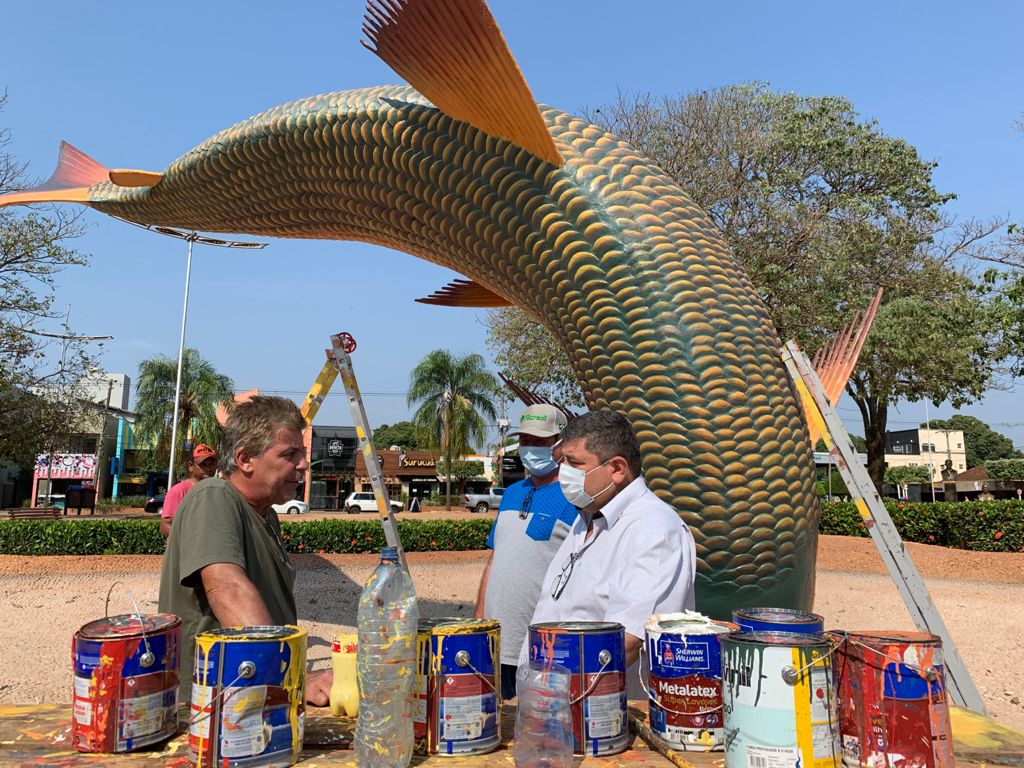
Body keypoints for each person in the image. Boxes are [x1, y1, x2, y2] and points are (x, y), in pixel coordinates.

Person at [158, 396, 331, 706]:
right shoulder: (214, 496)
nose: (303, 464)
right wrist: (289, 674)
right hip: (213, 706)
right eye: (289, 454)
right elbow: (227, 589)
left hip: (252, 693)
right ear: (245, 459)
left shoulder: (266, 515)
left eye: (301, 454)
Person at [519, 410, 696, 698]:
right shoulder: (588, 517)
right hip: (555, 709)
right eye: (563, 461)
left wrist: (551, 696)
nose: (564, 472)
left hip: (602, 714)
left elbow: (625, 643)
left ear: (616, 469)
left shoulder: (654, 531)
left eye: (575, 463)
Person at [475, 404, 577, 700]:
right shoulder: (511, 492)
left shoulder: (575, 498)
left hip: (540, 644)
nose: (530, 448)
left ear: (561, 445)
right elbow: (494, 560)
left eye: (540, 442)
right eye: (525, 441)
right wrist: (480, 619)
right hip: (496, 641)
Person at [159, 443, 219, 538]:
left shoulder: (219, 490)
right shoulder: (179, 491)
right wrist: (188, 544)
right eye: (203, 465)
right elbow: (165, 526)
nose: (208, 468)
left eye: (211, 464)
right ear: (191, 466)